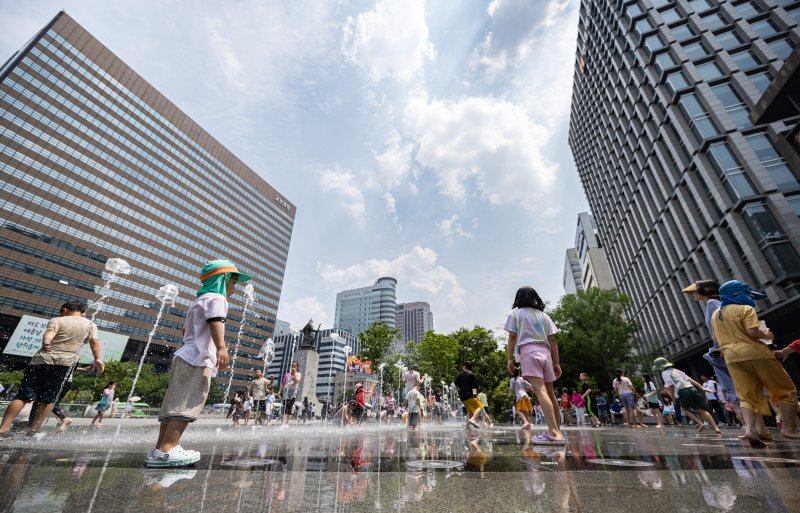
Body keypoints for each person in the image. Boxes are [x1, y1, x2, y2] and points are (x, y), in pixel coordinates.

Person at [146, 259, 249, 467]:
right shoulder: (218, 298)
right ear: (223, 279)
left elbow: (185, 331)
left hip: (184, 355)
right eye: (234, 283)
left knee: (174, 404)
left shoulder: (199, 300)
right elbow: (215, 321)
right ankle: (168, 449)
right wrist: (221, 347)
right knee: (187, 403)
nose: (234, 289)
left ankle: (160, 449)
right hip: (197, 358)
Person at [710, 280, 800, 445]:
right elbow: (752, 331)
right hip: (756, 353)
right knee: (786, 390)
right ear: (737, 294)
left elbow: (716, 338)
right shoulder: (746, 309)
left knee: (746, 396)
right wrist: (766, 335)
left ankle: (751, 430)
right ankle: (789, 430)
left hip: (731, 357)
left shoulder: (716, 314)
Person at [0, 301, 104, 437]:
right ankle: (34, 430)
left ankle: (3, 429)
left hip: (40, 361)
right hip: (64, 364)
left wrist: (47, 342)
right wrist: (97, 359)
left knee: (23, 396)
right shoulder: (90, 324)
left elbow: (49, 333)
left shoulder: (57, 320)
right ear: (82, 312)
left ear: (65, 310)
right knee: (49, 399)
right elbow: (94, 341)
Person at [504, 286, 565, 445]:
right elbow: (553, 340)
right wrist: (556, 362)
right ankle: (557, 431)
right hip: (546, 353)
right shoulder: (544, 316)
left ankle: (553, 433)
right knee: (550, 394)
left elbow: (512, 336)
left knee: (540, 390)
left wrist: (510, 359)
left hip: (529, 353)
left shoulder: (516, 314)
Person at [682, 280, 743, 426]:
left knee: (733, 389)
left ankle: (748, 426)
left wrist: (721, 346)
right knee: (737, 387)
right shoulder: (716, 303)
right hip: (726, 348)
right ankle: (752, 427)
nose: (693, 295)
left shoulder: (712, 303)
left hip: (722, 350)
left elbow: (721, 326)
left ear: (704, 291)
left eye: (695, 291)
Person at [653, 357, 722, 435]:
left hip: (682, 391)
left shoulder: (664, 373)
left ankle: (700, 423)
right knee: (703, 410)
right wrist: (702, 388)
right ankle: (716, 428)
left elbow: (671, 385)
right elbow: (690, 380)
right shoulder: (677, 370)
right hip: (692, 389)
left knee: (684, 409)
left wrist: (672, 397)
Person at [454, 361, 482, 430]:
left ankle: (467, 426)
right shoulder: (471, 375)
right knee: (480, 406)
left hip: (462, 397)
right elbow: (474, 387)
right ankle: (473, 419)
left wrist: (459, 392)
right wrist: (475, 395)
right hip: (469, 395)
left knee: (470, 411)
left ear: (465, 367)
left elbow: (456, 384)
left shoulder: (460, 375)